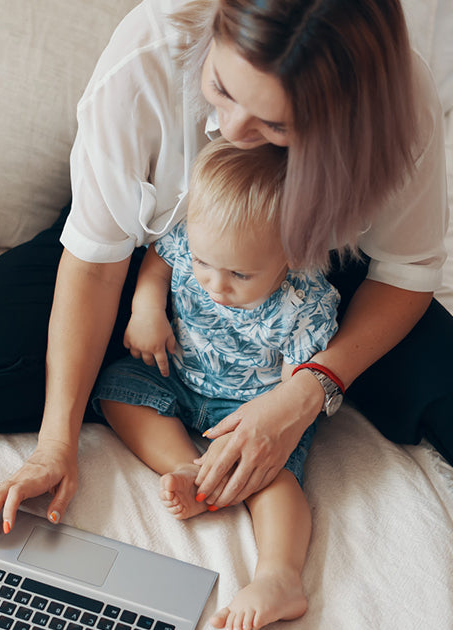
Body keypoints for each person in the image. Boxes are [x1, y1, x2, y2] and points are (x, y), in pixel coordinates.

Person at [0, 0, 453, 627]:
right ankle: (159, 383)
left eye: (275, 125)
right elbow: (96, 260)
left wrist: (304, 392)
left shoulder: (399, 102)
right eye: (222, 90)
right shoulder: (152, 52)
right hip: (158, 250)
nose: (231, 131)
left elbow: (405, 274)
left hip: (305, 272)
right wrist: (56, 446)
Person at [94, 136, 339, 629]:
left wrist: (261, 431)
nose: (214, 284)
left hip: (253, 409)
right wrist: (146, 309)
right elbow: (159, 263)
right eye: (204, 264)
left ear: (294, 253)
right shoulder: (191, 242)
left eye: (239, 274)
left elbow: (292, 392)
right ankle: (193, 471)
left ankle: (279, 576)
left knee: (273, 479)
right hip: (179, 377)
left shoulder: (306, 303)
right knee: (119, 389)